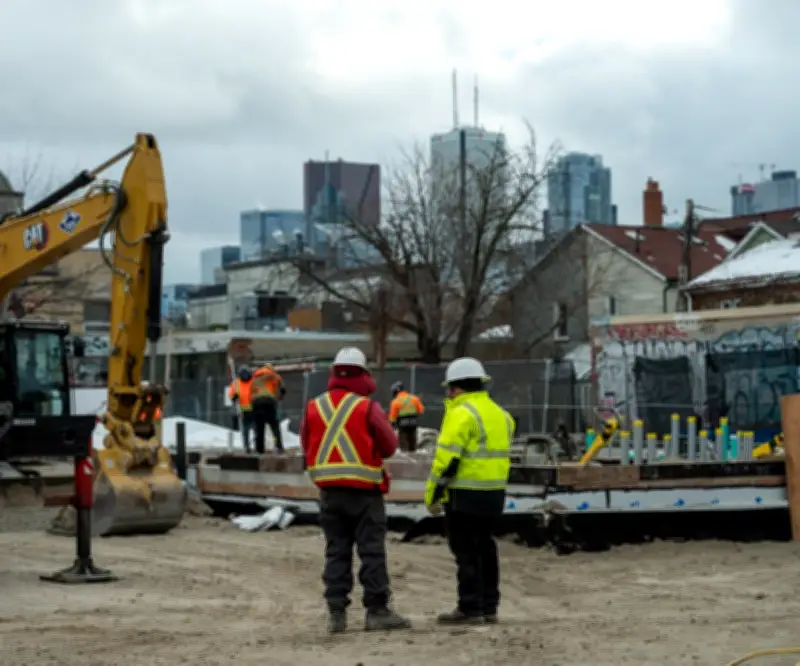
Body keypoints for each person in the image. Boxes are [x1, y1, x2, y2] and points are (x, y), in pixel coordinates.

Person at [300, 346, 411, 634]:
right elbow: (388, 447)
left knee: (336, 551)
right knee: (371, 551)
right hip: (365, 494)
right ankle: (377, 611)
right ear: (364, 374)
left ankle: (336, 613)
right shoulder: (367, 407)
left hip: (330, 494)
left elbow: (305, 444)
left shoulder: (314, 406)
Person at [424, 357, 514, 626]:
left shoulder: (461, 414)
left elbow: (446, 460)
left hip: (464, 495)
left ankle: (470, 608)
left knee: (466, 552)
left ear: (455, 388)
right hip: (494, 494)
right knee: (486, 546)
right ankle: (489, 606)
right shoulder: (502, 415)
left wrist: (432, 495)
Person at [250, 363, 284, 454]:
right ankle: (279, 447)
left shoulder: (255, 377)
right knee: (274, 427)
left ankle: (259, 450)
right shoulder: (275, 376)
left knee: (259, 428)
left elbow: (251, 391)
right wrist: (277, 399)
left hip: (256, 402)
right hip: (269, 401)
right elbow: (281, 390)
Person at [388, 381, 425, 452]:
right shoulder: (414, 398)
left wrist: (391, 426)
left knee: (403, 441)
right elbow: (421, 410)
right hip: (413, 423)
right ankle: (413, 453)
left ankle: (405, 454)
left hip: (402, 424)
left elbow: (392, 418)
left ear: (395, 391)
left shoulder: (395, 401)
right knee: (412, 440)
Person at [227, 365, 255, 453]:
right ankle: (246, 446)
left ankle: (256, 445)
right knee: (245, 430)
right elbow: (231, 394)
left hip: (254, 409)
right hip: (243, 411)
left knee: (256, 429)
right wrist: (234, 397)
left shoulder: (253, 382)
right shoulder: (236, 383)